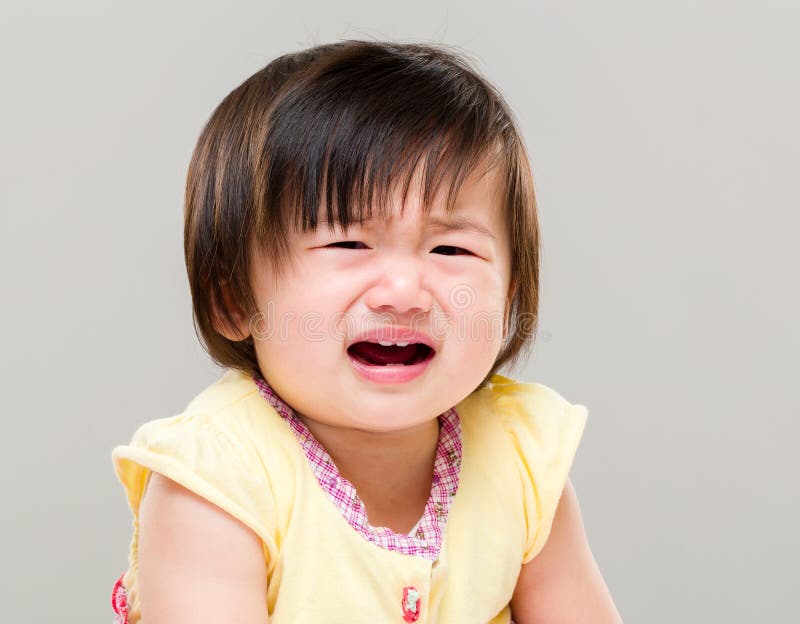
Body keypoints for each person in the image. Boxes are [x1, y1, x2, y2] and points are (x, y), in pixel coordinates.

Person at [110, 39, 622, 623]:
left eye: (451, 249)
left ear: (509, 296)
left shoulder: (521, 460)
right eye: (349, 243)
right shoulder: (218, 480)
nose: (403, 292)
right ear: (233, 297)